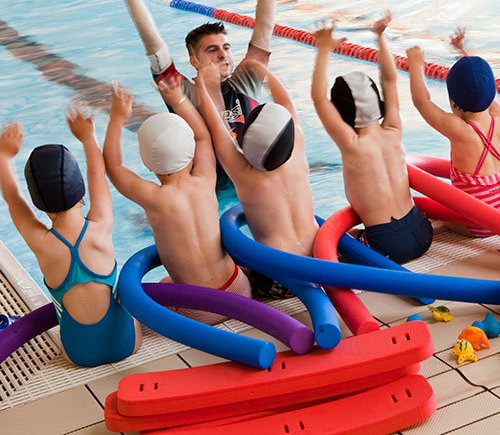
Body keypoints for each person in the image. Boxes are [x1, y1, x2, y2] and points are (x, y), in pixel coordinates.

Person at [104, 0, 279, 148]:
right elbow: (153, 43)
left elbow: (265, 26)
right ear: (193, 60)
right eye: (212, 50)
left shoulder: (244, 83)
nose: (223, 55)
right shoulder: (181, 92)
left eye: (226, 48)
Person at [0, 109, 142, 367]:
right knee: (132, 306)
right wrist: (88, 137)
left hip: (78, 355)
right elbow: (98, 175)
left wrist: (3, 156)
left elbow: (13, 199)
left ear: (38, 205)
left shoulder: (41, 242)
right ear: (82, 192)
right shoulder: (101, 224)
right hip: (127, 345)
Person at [103, 82, 251, 324]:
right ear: (191, 151)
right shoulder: (205, 178)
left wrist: (117, 119)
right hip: (239, 289)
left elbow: (114, 166)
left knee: (163, 284)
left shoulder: (154, 198)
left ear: (148, 164)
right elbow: (203, 137)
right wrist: (179, 100)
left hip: (199, 308)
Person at [311, 12, 433, 264]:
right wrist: (380, 37)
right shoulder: (392, 128)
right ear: (378, 102)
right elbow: (390, 79)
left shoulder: (351, 142)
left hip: (385, 245)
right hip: (423, 232)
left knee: (337, 241)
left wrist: (323, 49)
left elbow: (318, 98)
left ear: (341, 113)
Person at [195, 59, 319, 298]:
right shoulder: (298, 148)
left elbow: (217, 125)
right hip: (321, 263)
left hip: (277, 278)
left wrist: (202, 82)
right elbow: (287, 102)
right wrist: (265, 71)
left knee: (223, 268)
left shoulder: (244, 173)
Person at [407, 28, 500, 237]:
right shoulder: (498, 117)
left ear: (453, 103)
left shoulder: (460, 131)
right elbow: (481, 85)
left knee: (429, 213)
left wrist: (415, 64)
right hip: (497, 219)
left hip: (474, 225)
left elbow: (422, 102)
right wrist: (462, 51)